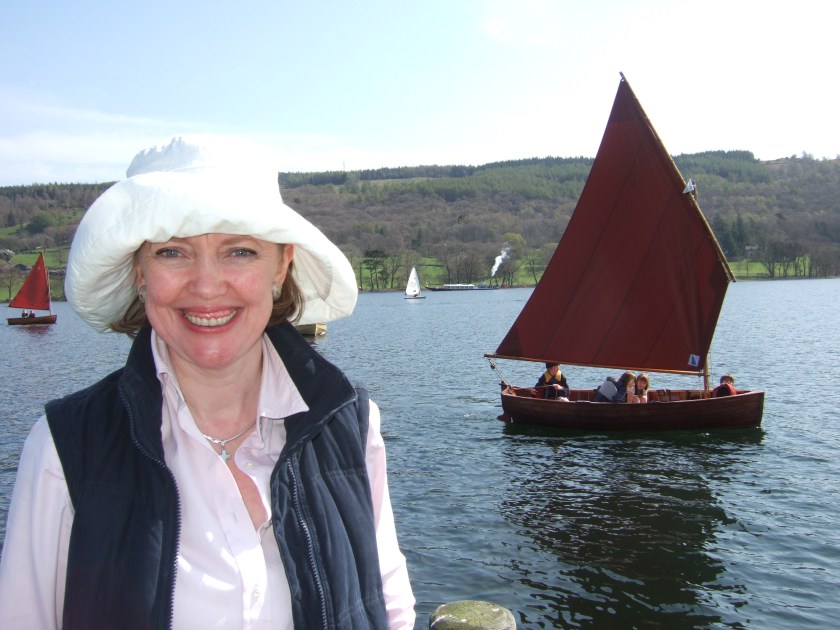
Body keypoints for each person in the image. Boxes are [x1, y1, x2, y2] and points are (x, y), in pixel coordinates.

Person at [0, 137, 415, 629]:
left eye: (239, 251)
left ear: (280, 267)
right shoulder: (65, 448)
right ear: (140, 272)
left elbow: (388, 606)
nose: (206, 285)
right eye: (173, 253)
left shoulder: (351, 423)